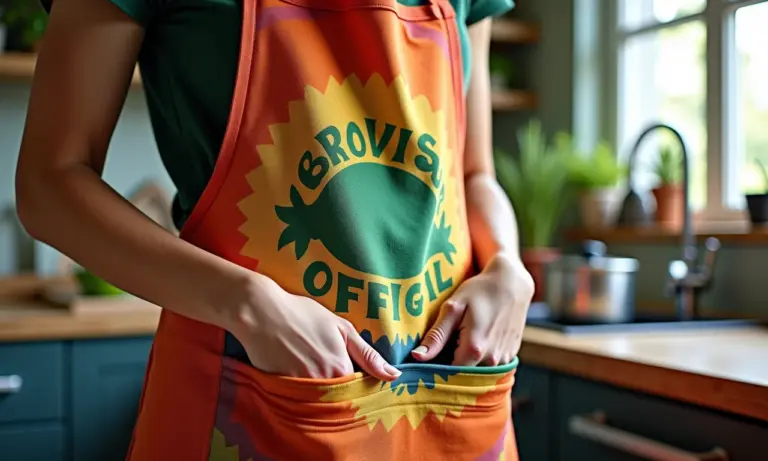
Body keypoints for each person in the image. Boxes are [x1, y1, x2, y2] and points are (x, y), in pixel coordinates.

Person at [15, 0, 534, 458]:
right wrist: (248, 302)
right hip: (251, 397)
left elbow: (471, 174)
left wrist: (508, 265)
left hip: (449, 401)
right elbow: (50, 184)